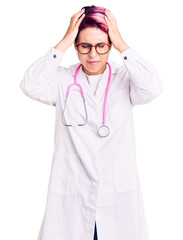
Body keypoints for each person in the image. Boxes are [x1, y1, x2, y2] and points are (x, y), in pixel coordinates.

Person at [19, 5, 164, 240]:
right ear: (76, 46)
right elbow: (30, 85)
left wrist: (122, 44)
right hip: (73, 196)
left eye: (101, 45)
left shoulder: (126, 79)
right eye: (84, 46)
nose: (93, 55)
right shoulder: (62, 80)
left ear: (110, 45)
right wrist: (63, 43)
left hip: (117, 198)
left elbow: (153, 87)